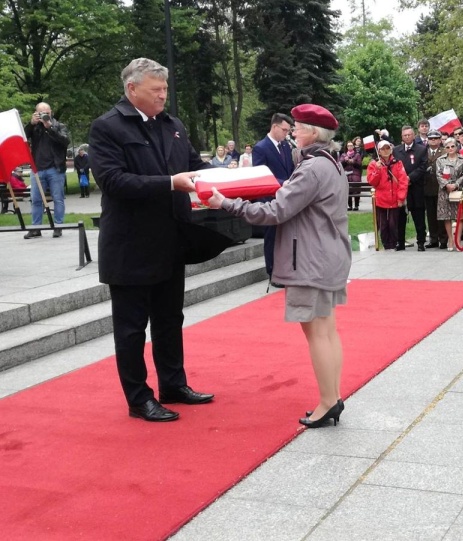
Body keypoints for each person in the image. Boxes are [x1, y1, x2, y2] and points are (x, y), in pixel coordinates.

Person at [208, 104, 350, 429]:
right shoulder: (330, 163)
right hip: (326, 257)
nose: (293, 133)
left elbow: (275, 211)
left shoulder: (313, 168)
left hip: (311, 261)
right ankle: (333, 396)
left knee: (316, 332)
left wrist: (227, 203)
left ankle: (328, 401)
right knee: (326, 330)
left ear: (313, 133)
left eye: (298, 128)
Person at [88, 57, 214, 422]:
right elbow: (113, 181)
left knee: (169, 319)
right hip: (129, 246)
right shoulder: (107, 127)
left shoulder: (172, 125)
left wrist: (227, 175)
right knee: (130, 330)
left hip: (170, 240)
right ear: (132, 89)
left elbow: (192, 165)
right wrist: (169, 183)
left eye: (165, 89)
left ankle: (173, 384)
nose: (163, 96)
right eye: (156, 90)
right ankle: (138, 397)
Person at [253, 113, 295, 286]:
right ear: (275, 127)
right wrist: (281, 183)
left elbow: (290, 169)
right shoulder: (261, 147)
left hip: (286, 197)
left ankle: (286, 270)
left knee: (286, 235)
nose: (287, 133)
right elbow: (260, 173)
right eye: (284, 130)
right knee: (272, 236)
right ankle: (272, 272)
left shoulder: (285, 146)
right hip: (270, 199)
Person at [24, 102, 69, 239]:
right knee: (36, 200)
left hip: (55, 168)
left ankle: (58, 226)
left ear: (51, 112)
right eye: (41, 113)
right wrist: (31, 123)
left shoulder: (59, 126)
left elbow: (65, 141)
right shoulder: (34, 127)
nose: (44, 115)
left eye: (47, 113)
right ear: (36, 113)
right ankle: (36, 228)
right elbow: (23, 137)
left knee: (58, 198)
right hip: (38, 169)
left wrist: (49, 127)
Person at [367, 140, 408, 250]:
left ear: (391, 149)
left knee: (393, 224)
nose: (385, 151)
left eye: (387, 148)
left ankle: (394, 243)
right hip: (381, 199)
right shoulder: (373, 164)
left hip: (394, 198)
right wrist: (377, 170)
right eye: (383, 149)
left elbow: (403, 181)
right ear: (379, 151)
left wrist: (401, 198)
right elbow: (372, 182)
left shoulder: (398, 163)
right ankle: (386, 244)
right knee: (383, 225)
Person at [394, 126, 429, 250]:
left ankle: (420, 242)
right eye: (405, 135)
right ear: (402, 137)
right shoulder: (396, 150)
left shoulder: (422, 149)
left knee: (418, 215)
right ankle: (400, 242)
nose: (407, 137)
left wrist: (410, 178)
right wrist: (402, 180)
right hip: (401, 188)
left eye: (409, 135)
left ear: (414, 135)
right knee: (400, 216)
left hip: (416, 187)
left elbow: (423, 166)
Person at [436, 137, 463, 251]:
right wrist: (447, 185)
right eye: (447, 147)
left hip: (458, 190)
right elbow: (438, 174)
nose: (450, 149)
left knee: (460, 216)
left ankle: (458, 240)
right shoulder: (440, 160)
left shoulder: (462, 159)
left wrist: (456, 185)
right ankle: (450, 239)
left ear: (456, 146)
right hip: (445, 191)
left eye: (452, 146)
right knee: (447, 216)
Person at [424, 130, 445, 247]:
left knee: (441, 215)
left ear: (440, 140)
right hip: (427, 187)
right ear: (428, 140)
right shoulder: (424, 152)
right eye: (431, 139)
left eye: (436, 138)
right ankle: (433, 239)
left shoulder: (444, 151)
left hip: (440, 187)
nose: (433, 140)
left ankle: (443, 239)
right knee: (431, 215)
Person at [339, 140, 363, 211]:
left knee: (356, 189)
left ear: (353, 146)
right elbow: (341, 165)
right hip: (347, 175)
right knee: (347, 190)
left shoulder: (357, 155)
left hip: (355, 175)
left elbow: (359, 165)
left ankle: (356, 205)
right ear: (346, 147)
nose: (350, 147)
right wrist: (345, 161)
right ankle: (350, 205)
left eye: (351, 145)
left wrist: (353, 162)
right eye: (348, 146)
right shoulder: (343, 155)